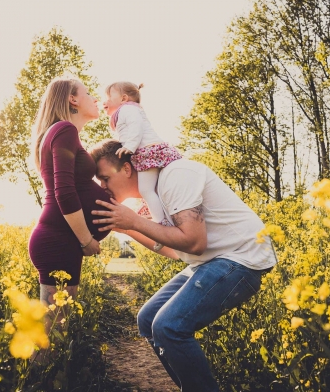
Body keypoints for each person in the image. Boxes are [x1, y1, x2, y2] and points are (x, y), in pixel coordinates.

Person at [89, 140, 278, 392]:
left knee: (168, 326)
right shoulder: (154, 195)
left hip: (243, 257)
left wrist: (134, 221)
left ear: (126, 169)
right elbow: (177, 251)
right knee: (148, 320)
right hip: (212, 261)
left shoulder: (175, 176)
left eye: (104, 178)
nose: (103, 187)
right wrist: (128, 227)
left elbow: (194, 242)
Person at [28, 77, 111, 337]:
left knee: (56, 329)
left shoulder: (60, 133)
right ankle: (37, 378)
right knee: (53, 333)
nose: (95, 99)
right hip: (59, 240)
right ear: (72, 99)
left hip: (62, 241)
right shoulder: (64, 129)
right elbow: (63, 191)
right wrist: (86, 239)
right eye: (88, 93)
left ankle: (42, 377)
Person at [103, 82, 181, 232]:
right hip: (151, 150)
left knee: (146, 190)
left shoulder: (127, 109)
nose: (104, 101)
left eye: (108, 97)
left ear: (123, 98)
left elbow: (135, 126)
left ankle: (161, 225)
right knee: (154, 188)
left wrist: (129, 146)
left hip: (148, 151)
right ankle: (157, 212)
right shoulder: (128, 110)